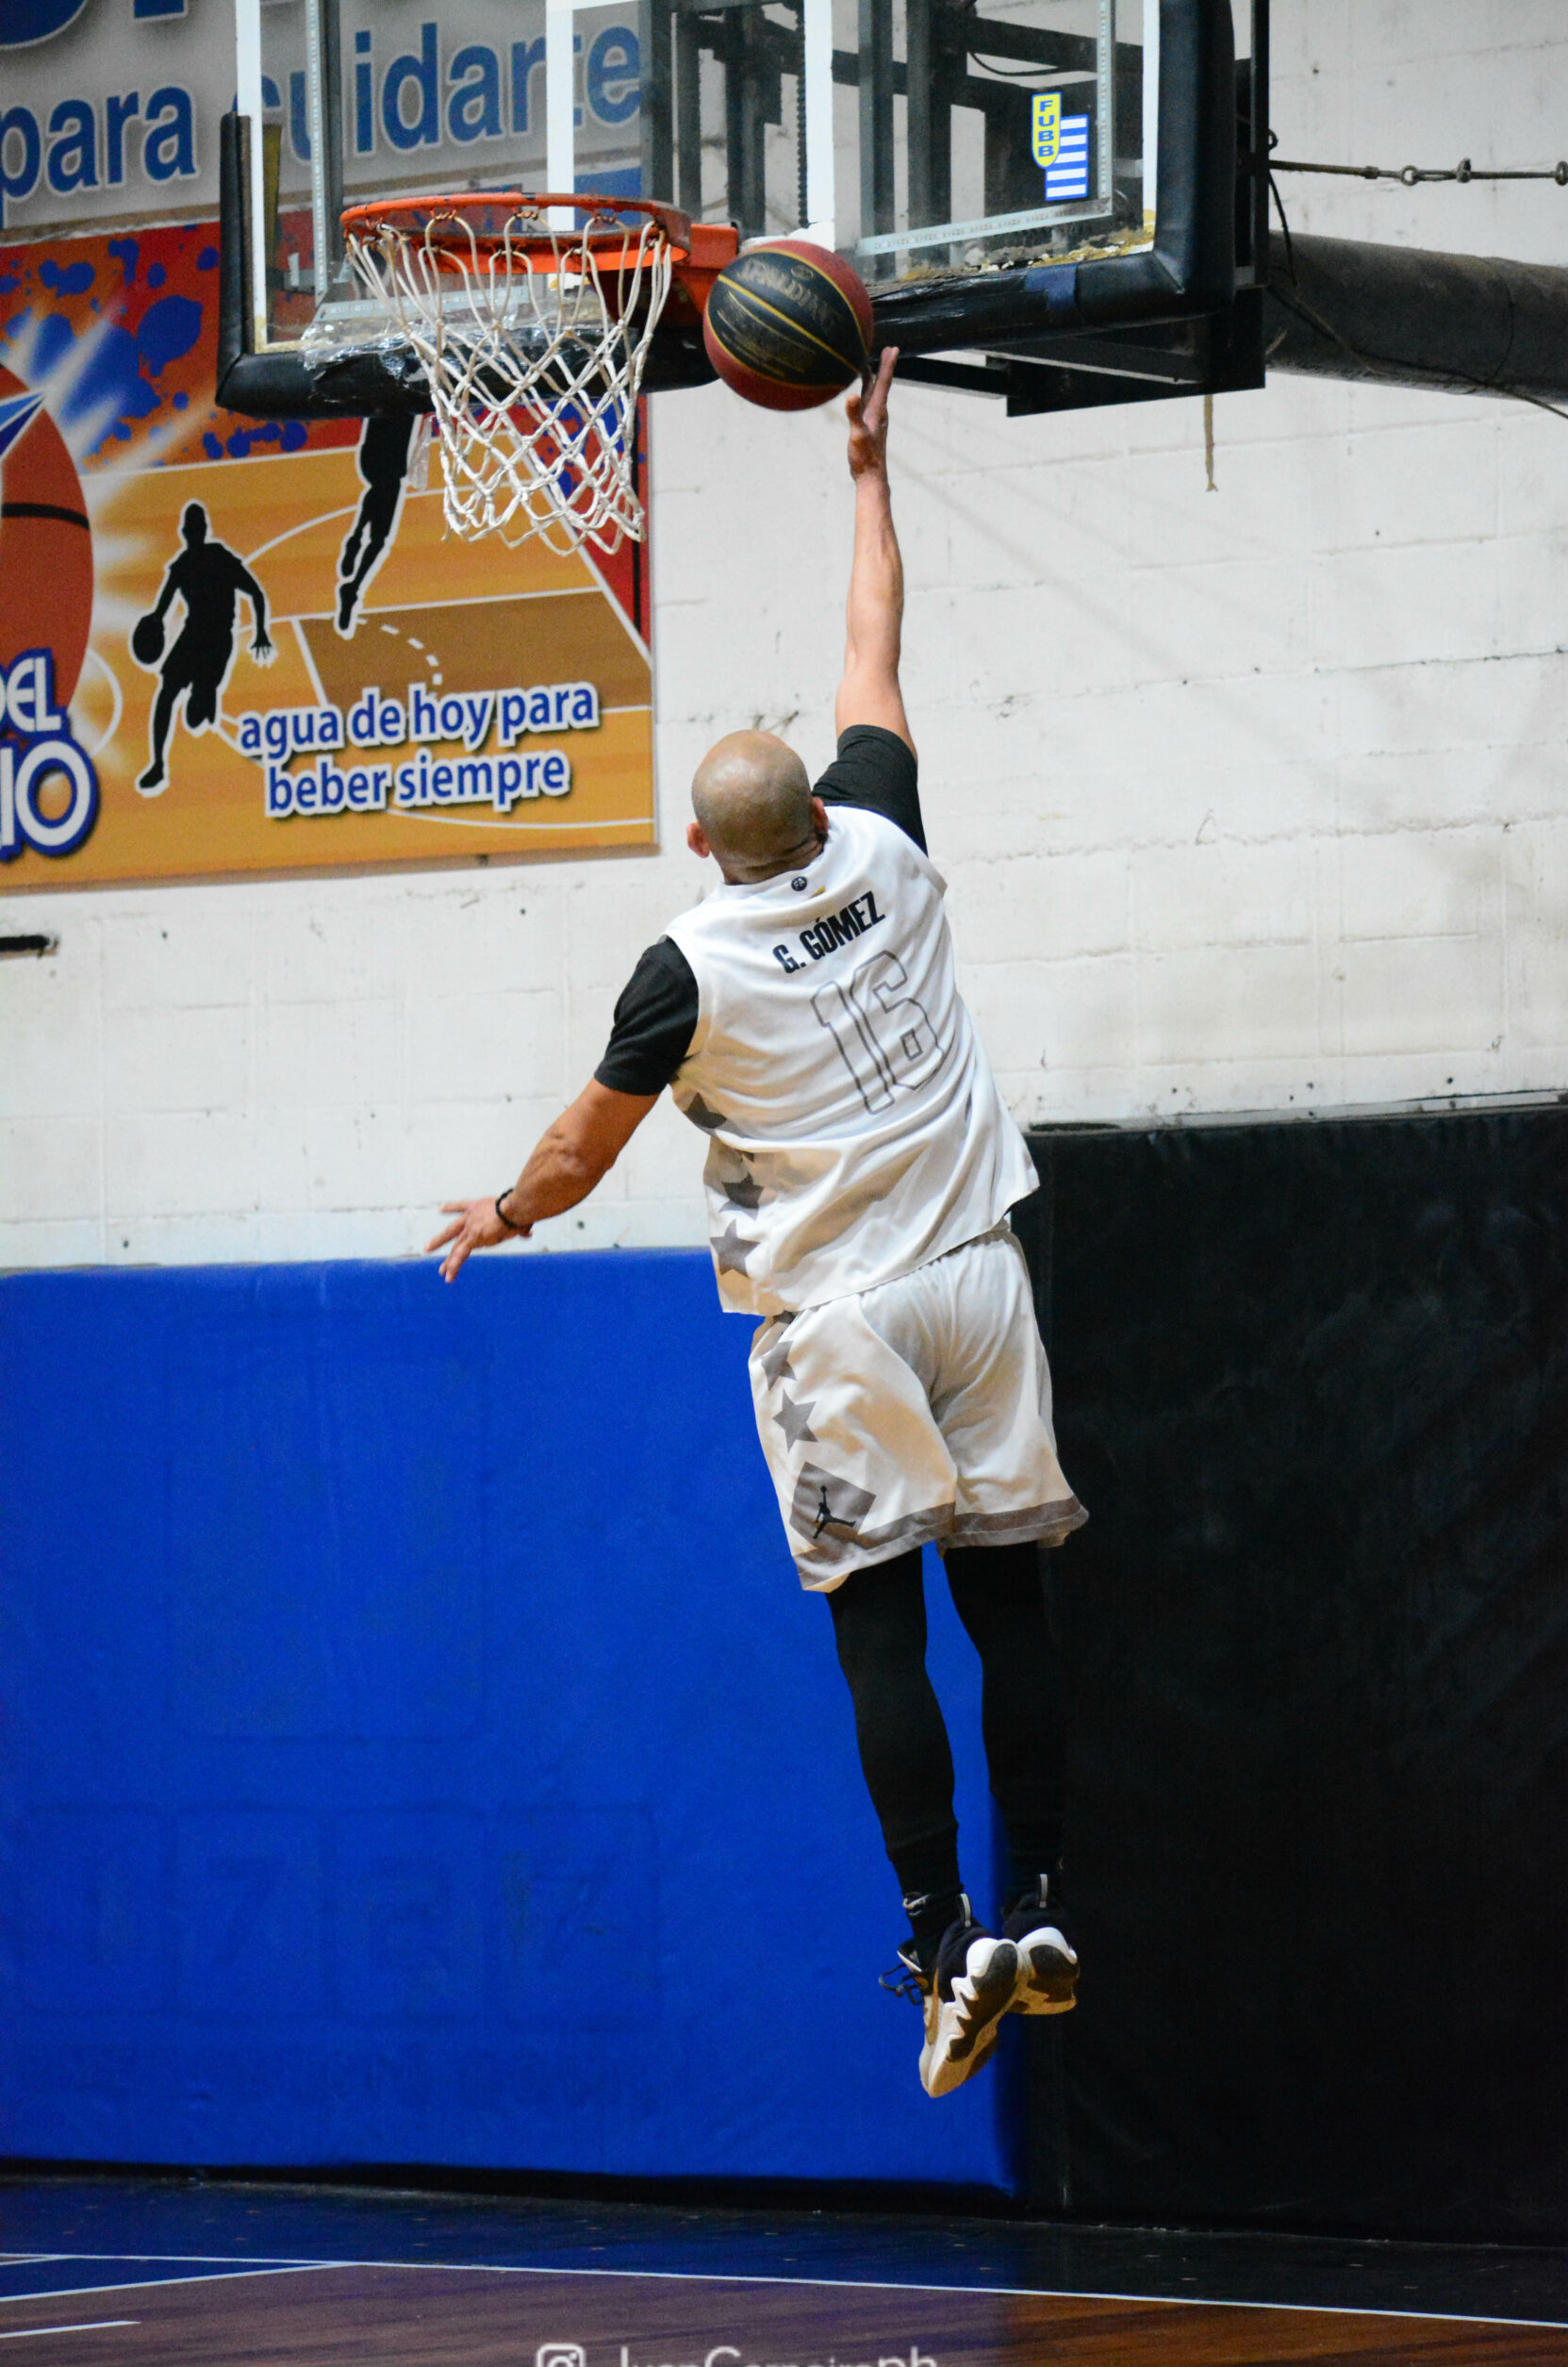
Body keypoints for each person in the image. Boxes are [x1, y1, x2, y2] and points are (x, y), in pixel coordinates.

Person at [429, 351, 1085, 2099]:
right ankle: (1039, 1901)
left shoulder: (685, 965)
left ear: (702, 844)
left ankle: (940, 1937)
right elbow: (875, 640)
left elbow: (578, 1153)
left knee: (875, 1626)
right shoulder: (886, 840)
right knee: (1008, 1610)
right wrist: (865, 469)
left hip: (845, 1316)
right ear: (811, 812)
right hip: (980, 1278)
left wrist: (504, 1209)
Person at [136, 502, 272, 793]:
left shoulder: (220, 558)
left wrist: (261, 631)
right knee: (167, 691)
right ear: (185, 532)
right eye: (190, 528)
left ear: (200, 530)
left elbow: (256, 593)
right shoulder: (182, 565)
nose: (192, 533)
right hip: (194, 634)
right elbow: (161, 611)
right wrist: (152, 625)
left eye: (195, 528)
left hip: (217, 639)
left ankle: (205, 696)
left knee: (195, 714)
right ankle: (158, 764)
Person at [335, 414, 416, 637]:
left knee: (379, 489)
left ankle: (356, 536)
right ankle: (353, 585)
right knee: (379, 539)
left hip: (371, 457)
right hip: (389, 458)